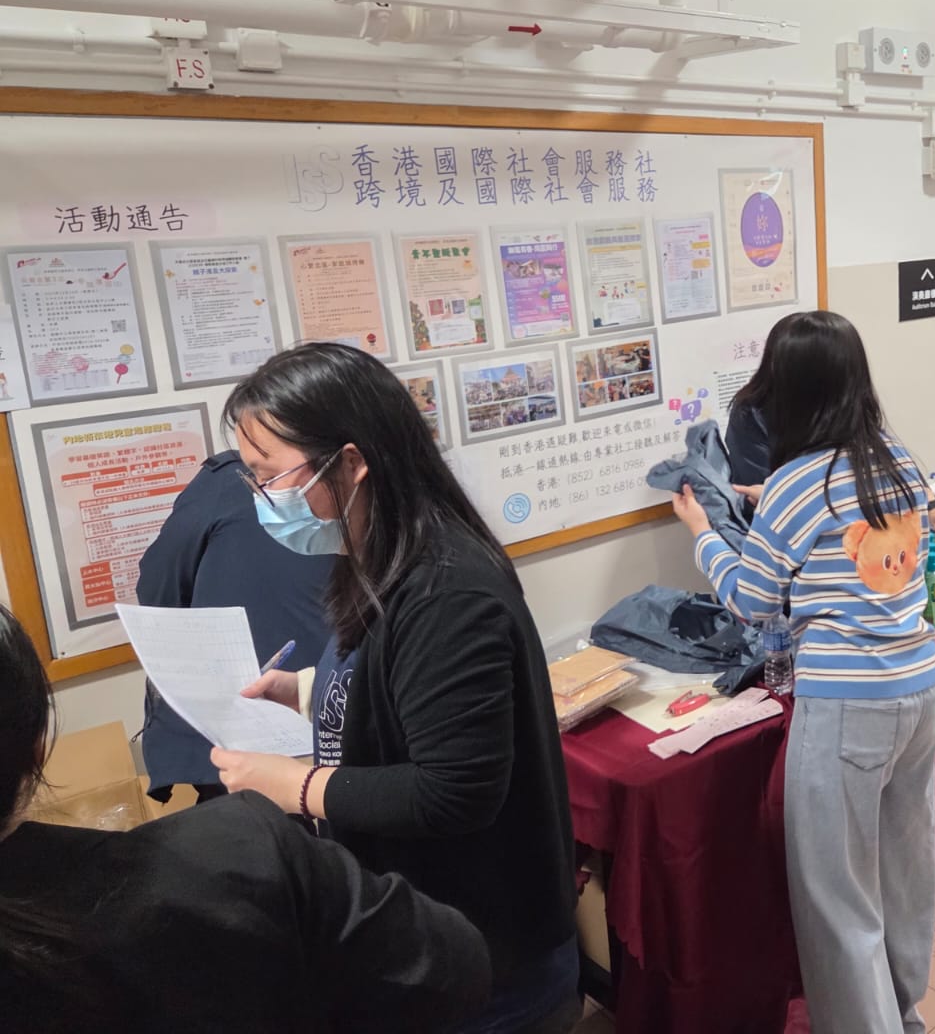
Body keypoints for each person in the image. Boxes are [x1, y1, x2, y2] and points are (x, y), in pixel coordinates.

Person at [205, 342, 580, 1034]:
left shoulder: (447, 591)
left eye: (270, 476)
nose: (262, 498)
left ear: (351, 462)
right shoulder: (378, 556)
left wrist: (295, 785)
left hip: (483, 957)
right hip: (424, 936)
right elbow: (406, 688)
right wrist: (308, 691)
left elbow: (453, 790)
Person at [0, 602, 492, 1033]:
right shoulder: (241, 851)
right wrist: (303, 785)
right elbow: (453, 964)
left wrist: (309, 695)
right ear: (39, 746)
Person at [670, 310, 935, 1034]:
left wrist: (703, 533)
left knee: (836, 895)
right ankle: (903, 1015)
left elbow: (752, 602)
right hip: (920, 684)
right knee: (903, 871)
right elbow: (850, 534)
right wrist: (767, 502)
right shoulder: (895, 459)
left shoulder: (796, 483)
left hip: (849, 704)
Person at [136, 448, 334, 804]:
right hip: (323, 722)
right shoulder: (362, 489)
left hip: (268, 729)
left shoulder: (224, 482)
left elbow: (159, 590)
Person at [730, 314, 935, 530]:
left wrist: (931, 505)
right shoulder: (752, 413)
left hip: (856, 533)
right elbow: (769, 498)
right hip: (787, 531)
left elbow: (888, 463)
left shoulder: (852, 411)